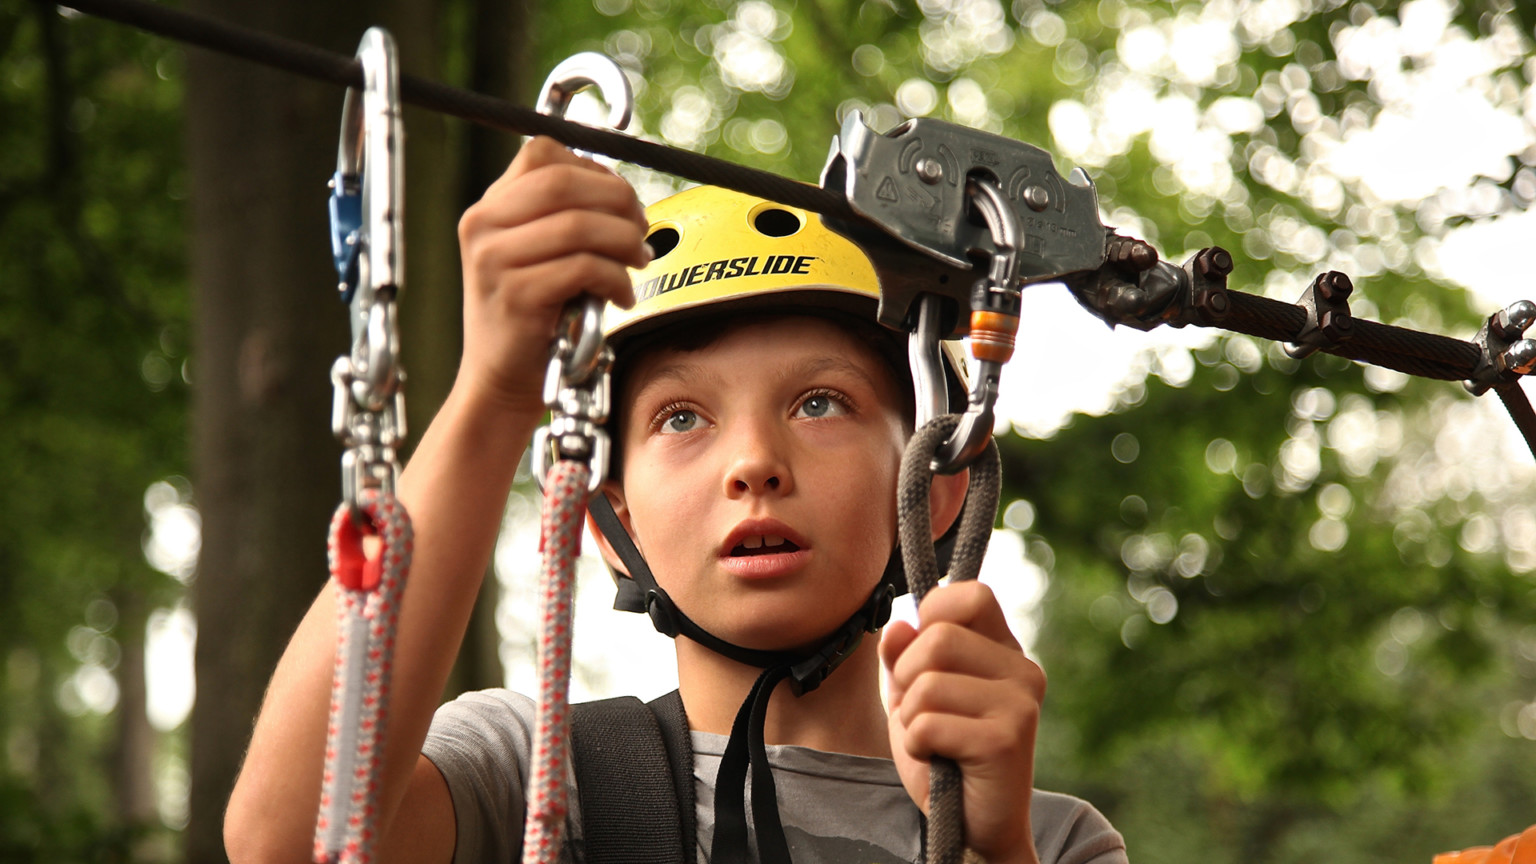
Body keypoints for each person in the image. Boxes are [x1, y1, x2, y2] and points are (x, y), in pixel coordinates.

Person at [223, 136, 1128, 864]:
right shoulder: (531, 778)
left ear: (931, 496)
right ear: (609, 525)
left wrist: (992, 849)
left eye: (821, 402)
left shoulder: (1057, 842)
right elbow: (293, 841)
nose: (754, 464)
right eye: (682, 417)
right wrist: (495, 391)